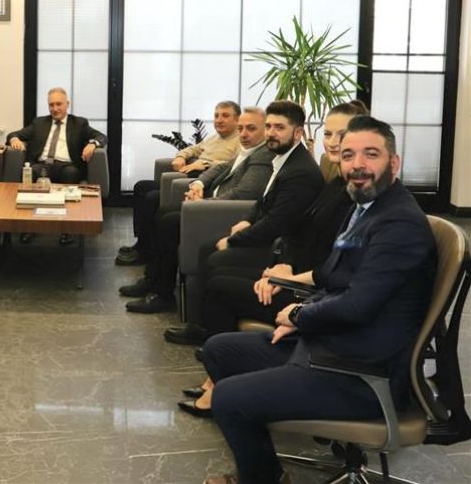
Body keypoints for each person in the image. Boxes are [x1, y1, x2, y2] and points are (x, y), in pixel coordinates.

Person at [201, 116, 436, 484]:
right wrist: (301, 312)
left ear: (394, 163)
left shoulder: (398, 224)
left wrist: (298, 315)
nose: (357, 164)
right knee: (220, 350)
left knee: (229, 398)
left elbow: (358, 305)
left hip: (359, 373)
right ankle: (267, 469)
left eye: (371, 154)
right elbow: (331, 276)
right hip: (329, 346)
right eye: (349, 155)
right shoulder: (365, 208)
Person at [175, 101, 367, 418]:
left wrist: (289, 277)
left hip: (312, 295)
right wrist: (285, 263)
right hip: (300, 275)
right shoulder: (337, 184)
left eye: (342, 135)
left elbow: (336, 264)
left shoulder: (355, 195)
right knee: (218, 274)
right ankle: (216, 379)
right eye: (328, 134)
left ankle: (217, 384)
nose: (333, 142)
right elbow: (302, 231)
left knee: (221, 286)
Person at [164, 100, 325, 346]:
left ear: (297, 133)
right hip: (274, 240)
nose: (271, 133)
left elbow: (276, 223)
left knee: (217, 260)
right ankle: (201, 325)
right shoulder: (282, 158)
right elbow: (263, 202)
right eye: (269, 126)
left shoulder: (300, 171)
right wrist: (247, 220)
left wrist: (233, 240)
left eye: (279, 128)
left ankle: (211, 335)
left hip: (280, 249)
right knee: (207, 249)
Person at [123, 107, 273, 313]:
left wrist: (205, 203)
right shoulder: (248, 150)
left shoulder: (263, 156)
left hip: (225, 214)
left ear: (265, 129)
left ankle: (163, 294)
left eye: (251, 128)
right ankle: (152, 280)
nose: (244, 134)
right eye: (241, 129)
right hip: (211, 205)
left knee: (169, 222)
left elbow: (243, 193)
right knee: (163, 212)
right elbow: (221, 168)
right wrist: (198, 184)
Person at [115, 100, 240, 266]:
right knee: (141, 187)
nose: (219, 120)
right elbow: (193, 149)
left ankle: (146, 251)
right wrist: (181, 156)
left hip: (203, 183)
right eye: (216, 116)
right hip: (189, 177)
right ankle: (142, 243)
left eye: (225, 116)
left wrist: (205, 164)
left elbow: (235, 165)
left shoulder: (240, 140)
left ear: (237, 119)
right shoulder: (215, 137)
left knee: (153, 198)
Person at [6, 87, 106, 184]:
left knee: (71, 173)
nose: (55, 109)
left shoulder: (79, 123)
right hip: (42, 165)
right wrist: (14, 139)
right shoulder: (39, 123)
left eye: (59, 104)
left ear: (67, 104)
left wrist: (93, 144)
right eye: (51, 105)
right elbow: (14, 134)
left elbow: (101, 136)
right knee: (30, 172)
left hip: (67, 166)